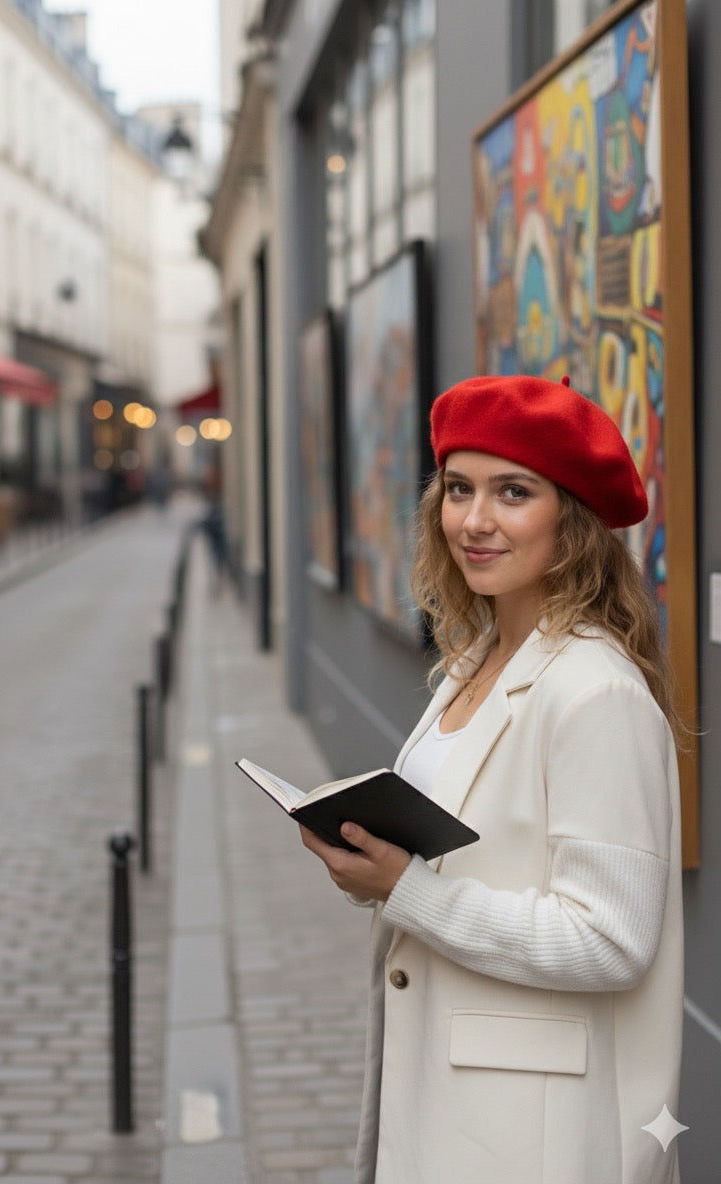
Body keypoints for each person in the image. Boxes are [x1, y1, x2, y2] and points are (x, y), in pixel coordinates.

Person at [300, 374, 684, 1184]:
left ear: (571, 518)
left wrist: (406, 889)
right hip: (452, 1091)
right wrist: (369, 863)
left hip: (531, 1130)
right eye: (459, 489)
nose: (475, 521)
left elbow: (610, 939)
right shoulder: (473, 662)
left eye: (513, 492)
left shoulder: (595, 691)